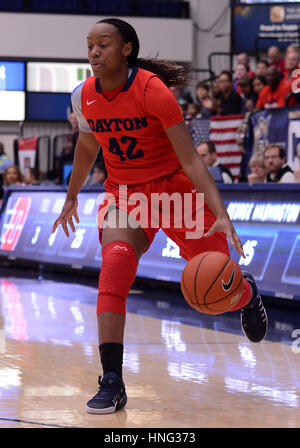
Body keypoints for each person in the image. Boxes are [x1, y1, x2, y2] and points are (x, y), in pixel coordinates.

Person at [52, 18, 268, 415]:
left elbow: (191, 158)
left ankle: (247, 293)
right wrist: (71, 197)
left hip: (176, 190)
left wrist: (221, 213)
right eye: (90, 46)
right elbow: (86, 147)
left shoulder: (154, 92)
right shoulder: (83, 95)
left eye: (103, 44)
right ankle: (112, 380)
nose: (94, 52)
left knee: (216, 289)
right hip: (126, 194)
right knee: (115, 264)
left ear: (127, 49)